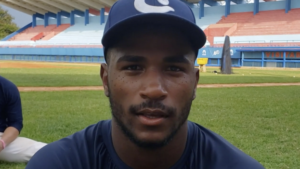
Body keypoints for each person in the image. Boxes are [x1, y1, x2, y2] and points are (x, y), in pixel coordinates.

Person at [26, 0, 265, 168]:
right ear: (105, 79)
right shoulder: (55, 164)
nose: (153, 89)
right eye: (132, 67)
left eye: (174, 68)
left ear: (195, 82)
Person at [0, 76, 46, 162]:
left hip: (1, 138)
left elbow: (15, 124)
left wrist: (2, 143)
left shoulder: (7, 87)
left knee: (39, 150)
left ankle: (68, 154)